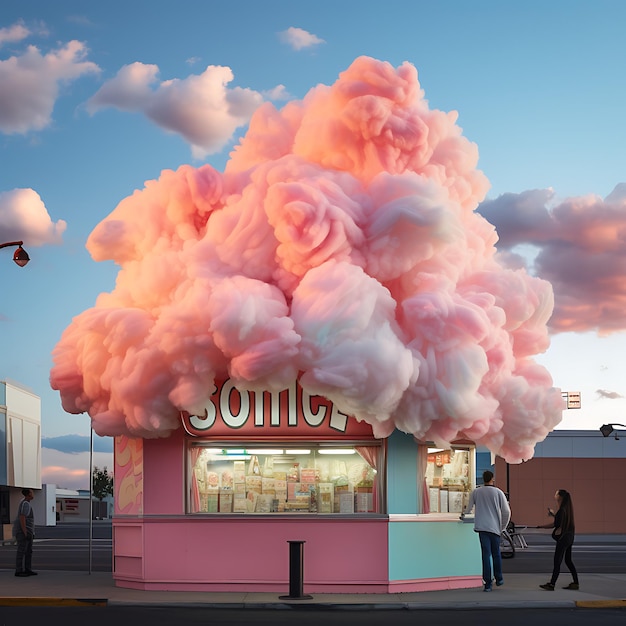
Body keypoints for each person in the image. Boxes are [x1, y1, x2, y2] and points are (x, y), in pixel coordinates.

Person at [461, 470, 511, 592]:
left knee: (485, 556)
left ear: (483, 479)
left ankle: (487, 583)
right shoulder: (498, 492)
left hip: (482, 528)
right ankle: (499, 578)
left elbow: (469, 508)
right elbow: (506, 512)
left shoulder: (476, 492)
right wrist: (502, 527)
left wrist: (463, 515)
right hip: (495, 528)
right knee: (496, 554)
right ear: (492, 479)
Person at [538, 488, 579, 590]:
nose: (555, 495)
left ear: (560, 497)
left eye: (556, 494)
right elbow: (560, 520)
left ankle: (552, 584)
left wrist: (541, 526)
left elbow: (555, 524)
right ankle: (576, 583)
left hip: (563, 539)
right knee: (568, 561)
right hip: (569, 538)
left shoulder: (562, 510)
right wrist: (553, 515)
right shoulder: (567, 509)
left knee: (557, 562)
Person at [13, 488, 37, 577]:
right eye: (32, 492)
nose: (33, 494)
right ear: (29, 494)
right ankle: (19, 570)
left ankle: (28, 569)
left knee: (28, 551)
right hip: (24, 530)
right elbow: (22, 517)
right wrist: (25, 531)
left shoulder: (24, 502)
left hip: (28, 530)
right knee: (22, 550)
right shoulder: (25, 504)